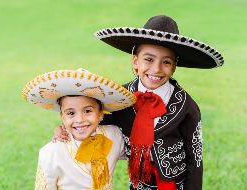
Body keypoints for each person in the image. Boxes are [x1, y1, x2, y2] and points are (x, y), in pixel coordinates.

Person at [53, 15, 224, 190]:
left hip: (174, 185)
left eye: (166, 62)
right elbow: (93, 121)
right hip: (139, 184)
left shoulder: (186, 106)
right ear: (135, 61)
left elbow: (194, 157)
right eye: (148, 59)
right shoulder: (119, 96)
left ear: (173, 67)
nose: (156, 69)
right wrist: (65, 128)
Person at [22, 68, 136, 190]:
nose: (80, 119)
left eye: (87, 111)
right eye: (71, 113)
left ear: (100, 114)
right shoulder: (50, 152)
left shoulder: (114, 135)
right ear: (62, 116)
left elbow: (136, 153)